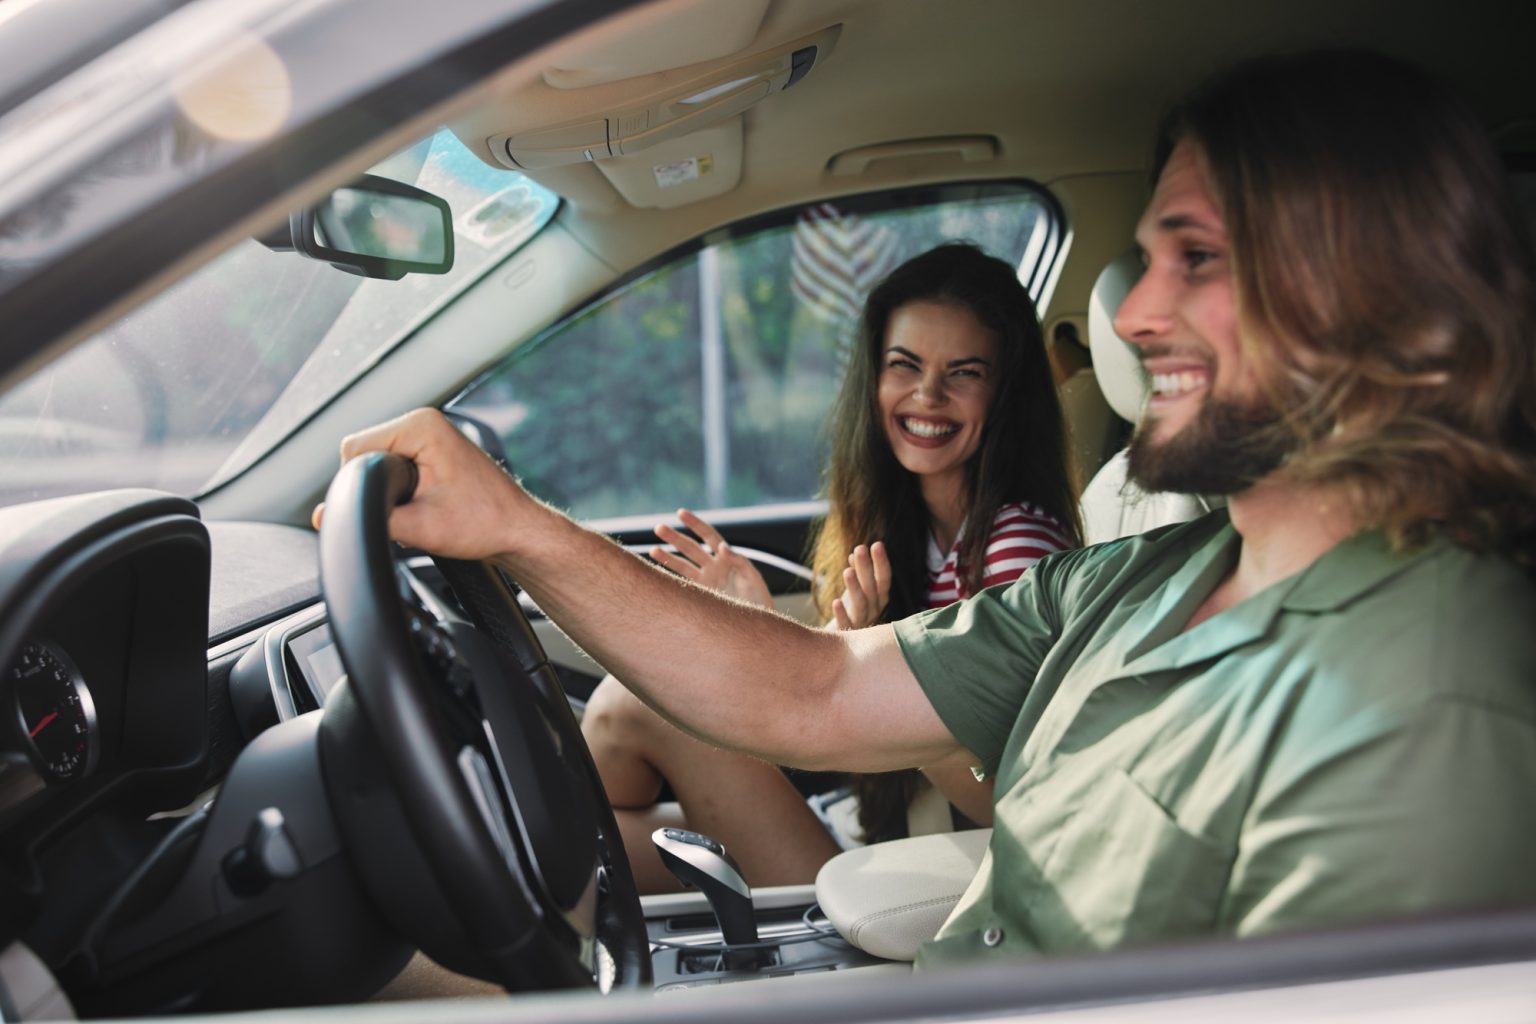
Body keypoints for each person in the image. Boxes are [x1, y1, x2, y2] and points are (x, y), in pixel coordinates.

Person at [319, 49, 1536, 966]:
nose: (1133, 315)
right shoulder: (1143, 573)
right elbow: (823, 687)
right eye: (1147, 259)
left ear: (1368, 288)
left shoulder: (1431, 706)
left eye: (1196, 259)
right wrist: (521, 527)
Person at [580, 244, 1082, 892]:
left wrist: (855, 667)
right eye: (905, 365)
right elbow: (841, 714)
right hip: (875, 834)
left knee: (633, 705)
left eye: (964, 373)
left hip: (937, 879)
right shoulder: (911, 527)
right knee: (592, 851)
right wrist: (764, 631)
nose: (927, 395)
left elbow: (1019, 799)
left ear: (1005, 393)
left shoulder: (1016, 553)